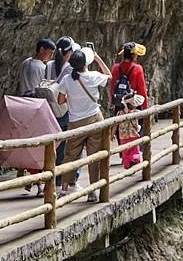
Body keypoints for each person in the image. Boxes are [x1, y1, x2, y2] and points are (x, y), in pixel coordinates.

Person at [58, 50, 112, 202]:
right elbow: (110, 77)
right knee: (94, 156)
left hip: (75, 122)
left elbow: (60, 101)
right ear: (86, 64)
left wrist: (72, 98)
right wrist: (98, 59)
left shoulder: (67, 79)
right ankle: (92, 192)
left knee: (71, 155)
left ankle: (63, 189)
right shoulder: (94, 76)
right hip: (94, 120)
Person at [45, 37, 81, 187]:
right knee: (71, 147)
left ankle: (54, 178)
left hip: (51, 111)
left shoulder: (48, 65)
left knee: (56, 146)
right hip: (66, 111)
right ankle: (67, 180)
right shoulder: (70, 69)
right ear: (70, 52)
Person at [110, 42, 148, 111]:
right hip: (133, 104)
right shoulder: (138, 68)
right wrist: (145, 107)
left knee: (118, 121)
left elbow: (112, 87)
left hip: (119, 103)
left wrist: (113, 101)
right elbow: (142, 90)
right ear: (134, 56)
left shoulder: (115, 68)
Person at [113, 94, 144, 169]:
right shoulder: (136, 112)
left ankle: (128, 165)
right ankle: (134, 159)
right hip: (134, 135)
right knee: (135, 150)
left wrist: (112, 134)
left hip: (123, 136)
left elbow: (115, 124)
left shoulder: (119, 113)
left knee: (125, 152)